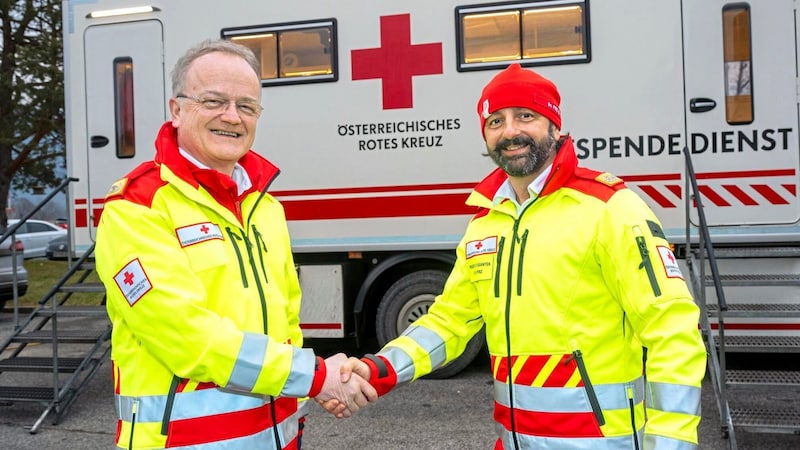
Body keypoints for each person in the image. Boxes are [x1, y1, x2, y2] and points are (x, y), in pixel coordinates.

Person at [328, 63, 707, 449]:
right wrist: (379, 367)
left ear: (554, 127)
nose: (510, 131)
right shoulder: (486, 223)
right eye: (495, 121)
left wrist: (671, 442)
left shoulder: (610, 208)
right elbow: (448, 322)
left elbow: (673, 332)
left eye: (525, 116)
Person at [94, 39, 375, 450]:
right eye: (213, 101)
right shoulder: (137, 207)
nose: (232, 117)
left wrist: (314, 385)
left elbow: (286, 327)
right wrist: (315, 377)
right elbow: (185, 334)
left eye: (246, 106)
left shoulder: (265, 207)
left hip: (278, 438)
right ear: (176, 110)